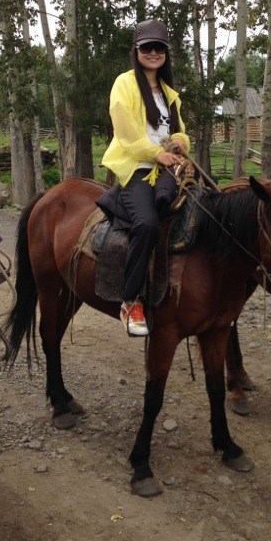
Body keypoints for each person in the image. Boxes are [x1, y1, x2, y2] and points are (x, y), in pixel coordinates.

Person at [97, 19, 190, 337]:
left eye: (159, 47)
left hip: (169, 169)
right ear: (136, 51)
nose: (153, 52)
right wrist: (155, 153)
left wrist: (180, 143)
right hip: (136, 168)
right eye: (146, 47)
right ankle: (130, 300)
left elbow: (179, 130)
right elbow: (125, 132)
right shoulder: (124, 84)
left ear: (166, 53)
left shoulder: (169, 93)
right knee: (147, 223)